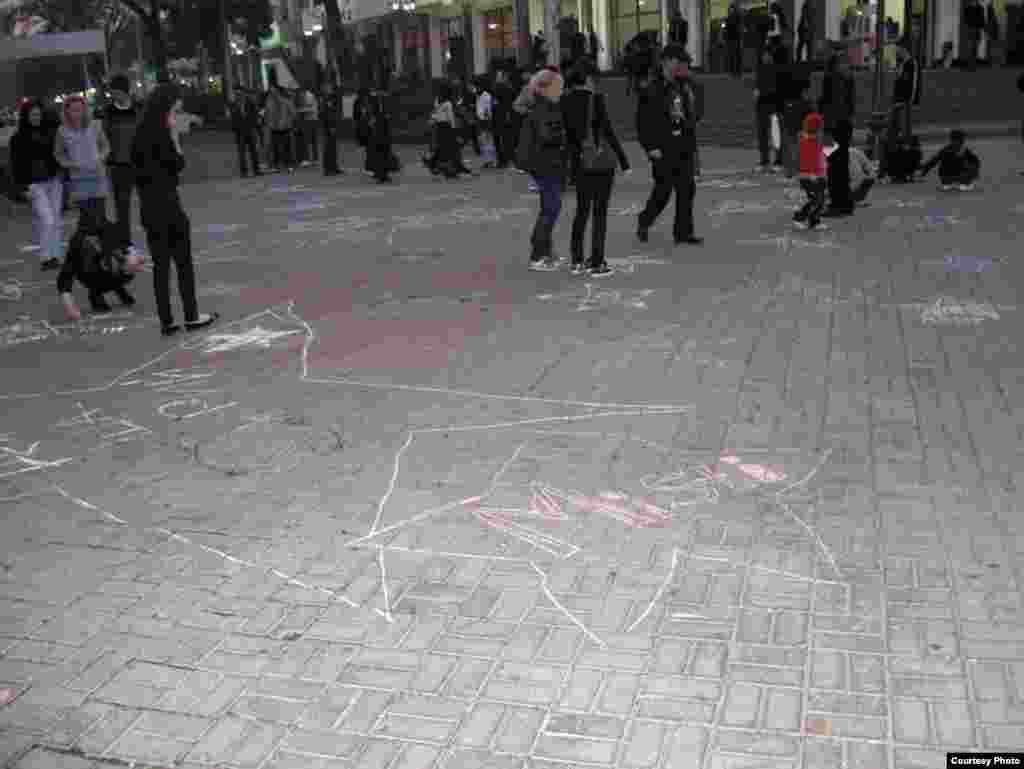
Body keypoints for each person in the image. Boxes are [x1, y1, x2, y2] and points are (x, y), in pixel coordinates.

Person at [131, 83, 218, 337]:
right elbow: (176, 164)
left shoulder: (139, 135)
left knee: (160, 265)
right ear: (166, 108)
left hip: (149, 207)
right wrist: (174, 140)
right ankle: (191, 315)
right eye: (174, 109)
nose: (176, 114)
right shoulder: (162, 134)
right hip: (168, 204)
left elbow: (139, 172)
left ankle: (167, 320)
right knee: (183, 262)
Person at [562, 62, 629, 277]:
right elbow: (607, 130)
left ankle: (577, 260)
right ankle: (597, 261)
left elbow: (566, 137)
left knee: (582, 211)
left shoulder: (564, 101)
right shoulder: (596, 100)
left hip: (579, 163)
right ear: (588, 79)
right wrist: (623, 159)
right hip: (600, 162)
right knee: (600, 212)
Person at [636, 44, 703, 247]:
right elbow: (642, 122)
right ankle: (645, 219)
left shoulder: (684, 86)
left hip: (683, 144)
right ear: (666, 61)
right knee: (663, 191)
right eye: (679, 61)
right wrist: (650, 147)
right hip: (662, 148)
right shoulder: (652, 88)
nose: (682, 65)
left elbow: (693, 116)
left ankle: (683, 232)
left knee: (687, 189)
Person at [516, 68, 568, 270]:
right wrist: (564, 135)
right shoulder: (544, 108)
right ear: (545, 89)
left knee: (550, 207)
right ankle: (538, 254)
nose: (561, 91)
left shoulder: (546, 106)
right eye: (558, 87)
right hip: (545, 163)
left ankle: (545, 251)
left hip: (546, 163)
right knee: (551, 208)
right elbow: (547, 135)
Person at [10, 99, 63, 271]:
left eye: (39, 114)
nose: (36, 117)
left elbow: (58, 155)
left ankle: (54, 256)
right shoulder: (17, 139)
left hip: (54, 181)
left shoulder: (51, 133)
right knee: (47, 219)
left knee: (54, 220)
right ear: (26, 116)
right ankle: (45, 257)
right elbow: (15, 165)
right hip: (34, 184)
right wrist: (21, 189)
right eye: (32, 114)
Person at [58, 216, 144, 319]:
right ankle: (95, 293)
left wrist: (132, 259)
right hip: (90, 275)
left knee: (126, 266)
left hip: (110, 267)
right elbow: (64, 279)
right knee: (96, 272)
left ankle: (118, 288)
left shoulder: (111, 231)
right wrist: (70, 306)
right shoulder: (77, 243)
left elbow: (131, 250)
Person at [55, 95, 111, 234]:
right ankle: (83, 249)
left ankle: (101, 250)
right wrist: (69, 164)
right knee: (87, 218)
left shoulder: (95, 125)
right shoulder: (62, 131)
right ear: (67, 111)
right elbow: (58, 154)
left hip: (98, 176)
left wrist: (101, 157)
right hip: (79, 179)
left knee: (100, 217)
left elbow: (105, 146)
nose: (77, 113)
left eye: (80, 109)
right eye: (73, 110)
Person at [104, 74, 141, 254]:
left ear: (125, 91)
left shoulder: (139, 109)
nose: (114, 95)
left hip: (140, 164)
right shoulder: (108, 112)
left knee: (150, 202)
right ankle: (125, 243)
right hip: (119, 166)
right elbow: (104, 138)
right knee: (122, 207)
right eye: (112, 92)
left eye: (116, 91)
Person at [793, 112, 827, 229]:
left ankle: (814, 221)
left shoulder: (808, 138)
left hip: (813, 175)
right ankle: (799, 218)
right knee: (817, 199)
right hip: (812, 176)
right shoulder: (813, 140)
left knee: (818, 199)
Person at [753, 47, 782, 171]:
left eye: (767, 55)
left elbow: (775, 89)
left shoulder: (776, 70)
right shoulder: (760, 70)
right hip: (762, 106)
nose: (765, 58)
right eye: (764, 55)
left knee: (776, 135)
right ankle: (764, 160)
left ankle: (778, 161)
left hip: (773, 106)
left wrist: (761, 92)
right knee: (763, 135)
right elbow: (757, 85)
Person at [819, 52, 855, 144]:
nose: (846, 65)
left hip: (835, 120)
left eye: (846, 62)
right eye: (842, 62)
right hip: (837, 120)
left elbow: (850, 99)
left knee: (833, 148)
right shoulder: (833, 78)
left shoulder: (847, 78)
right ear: (835, 65)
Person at [228, 89, 261, 178]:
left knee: (253, 151)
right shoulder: (233, 105)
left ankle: (256, 170)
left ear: (243, 94)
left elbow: (255, 115)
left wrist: (254, 127)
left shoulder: (250, 103)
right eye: (236, 94)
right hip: (240, 132)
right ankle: (244, 172)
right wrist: (235, 130)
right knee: (242, 153)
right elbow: (232, 119)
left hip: (250, 130)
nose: (238, 95)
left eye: (240, 93)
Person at [824, 119, 853, 216]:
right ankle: (845, 204)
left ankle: (838, 205)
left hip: (834, 125)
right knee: (841, 170)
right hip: (840, 124)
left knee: (835, 172)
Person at [365, 91, 395, 183]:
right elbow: (370, 118)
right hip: (377, 134)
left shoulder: (386, 104)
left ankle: (384, 174)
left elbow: (389, 115)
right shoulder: (372, 105)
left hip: (385, 134)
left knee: (385, 153)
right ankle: (379, 174)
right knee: (378, 154)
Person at [264, 84, 296, 172]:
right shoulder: (269, 102)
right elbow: (267, 114)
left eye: (273, 91)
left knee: (287, 146)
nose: (272, 93)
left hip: (285, 127)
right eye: (271, 92)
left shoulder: (286, 101)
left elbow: (293, 113)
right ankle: (276, 165)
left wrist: (288, 122)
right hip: (274, 127)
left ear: (277, 92)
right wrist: (268, 122)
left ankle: (289, 164)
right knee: (275, 147)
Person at [492, 69, 515, 168]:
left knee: (504, 139)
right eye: (497, 76)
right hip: (497, 115)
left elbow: (508, 103)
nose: (498, 78)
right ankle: (502, 159)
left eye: (499, 76)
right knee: (499, 138)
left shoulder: (506, 88)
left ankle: (504, 160)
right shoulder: (497, 87)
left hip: (503, 115)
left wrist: (507, 115)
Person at [321, 80, 343, 176]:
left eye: (330, 87)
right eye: (328, 88)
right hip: (328, 126)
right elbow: (326, 114)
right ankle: (328, 169)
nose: (330, 89)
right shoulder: (326, 99)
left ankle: (334, 167)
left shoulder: (331, 98)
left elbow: (334, 112)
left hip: (332, 125)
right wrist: (331, 126)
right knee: (328, 147)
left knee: (333, 147)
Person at [476, 77, 497, 168]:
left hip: (486, 121)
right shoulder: (478, 96)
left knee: (488, 141)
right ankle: (486, 160)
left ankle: (490, 161)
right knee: (483, 141)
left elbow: (489, 110)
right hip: (481, 120)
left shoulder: (486, 96)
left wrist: (487, 119)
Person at [848, 139, 876, 205]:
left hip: (857, 181)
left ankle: (855, 198)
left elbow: (868, 166)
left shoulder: (855, 152)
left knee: (868, 178)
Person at [299, 88, 319, 167]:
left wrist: (300, 110)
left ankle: (307, 160)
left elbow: (310, 109)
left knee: (307, 140)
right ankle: (315, 159)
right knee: (313, 141)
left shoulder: (309, 96)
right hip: (312, 120)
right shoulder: (309, 96)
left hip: (309, 120)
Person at [724, 3, 744, 76]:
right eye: (730, 9)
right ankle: (734, 71)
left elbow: (726, 29)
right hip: (731, 39)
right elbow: (725, 29)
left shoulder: (736, 17)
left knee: (736, 55)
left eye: (732, 9)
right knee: (733, 55)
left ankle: (736, 71)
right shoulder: (729, 18)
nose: (731, 10)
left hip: (735, 38)